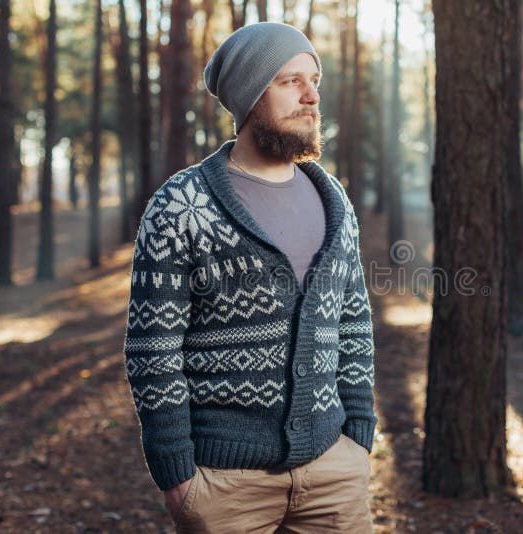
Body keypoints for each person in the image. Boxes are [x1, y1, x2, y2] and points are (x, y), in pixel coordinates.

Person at [122, 21, 377, 533]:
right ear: (249, 95)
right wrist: (177, 475)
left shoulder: (335, 203)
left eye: (313, 80)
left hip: (335, 475)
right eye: (290, 82)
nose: (311, 96)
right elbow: (154, 347)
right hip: (224, 484)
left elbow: (353, 324)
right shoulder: (182, 206)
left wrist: (359, 439)